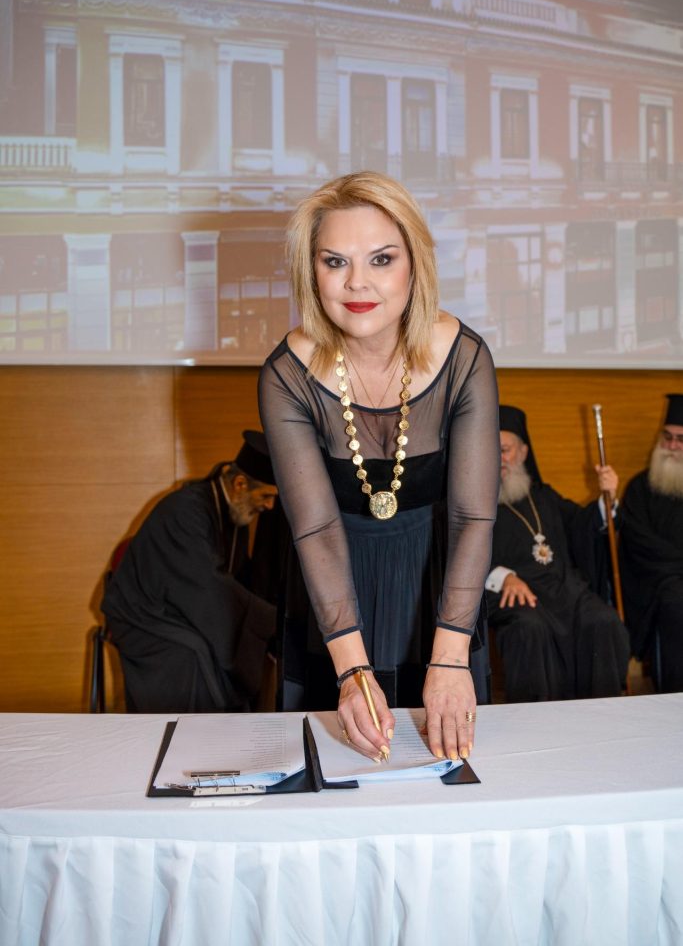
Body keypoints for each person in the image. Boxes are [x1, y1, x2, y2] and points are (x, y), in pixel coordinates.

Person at [258, 171, 499, 764]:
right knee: (334, 777)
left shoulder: (464, 357)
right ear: (311, 272)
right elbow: (315, 527)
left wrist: (450, 658)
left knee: (451, 772)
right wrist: (351, 670)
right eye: (334, 262)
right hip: (334, 591)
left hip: (440, 591)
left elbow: (472, 516)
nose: (357, 283)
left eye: (381, 259)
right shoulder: (287, 375)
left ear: (414, 265)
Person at [102, 431, 278, 713]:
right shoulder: (186, 510)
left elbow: (232, 578)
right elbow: (204, 584)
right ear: (240, 484)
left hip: (177, 606)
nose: (269, 505)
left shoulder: (233, 511)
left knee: (215, 648)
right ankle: (185, 735)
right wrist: (262, 618)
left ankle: (229, 729)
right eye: (266, 495)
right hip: (140, 613)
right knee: (192, 653)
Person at [486, 404, 630, 703]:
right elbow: (456, 550)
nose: (498, 459)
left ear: (523, 452)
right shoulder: (473, 500)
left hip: (564, 589)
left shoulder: (544, 496)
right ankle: (536, 720)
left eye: (505, 450)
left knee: (603, 620)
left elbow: (582, 525)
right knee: (529, 629)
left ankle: (604, 713)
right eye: (491, 451)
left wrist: (607, 498)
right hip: (514, 594)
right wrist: (503, 576)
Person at [620, 393, 683, 693]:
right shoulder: (639, 488)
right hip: (656, 581)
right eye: (667, 437)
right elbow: (639, 543)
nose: (672, 446)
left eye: (680, 440)